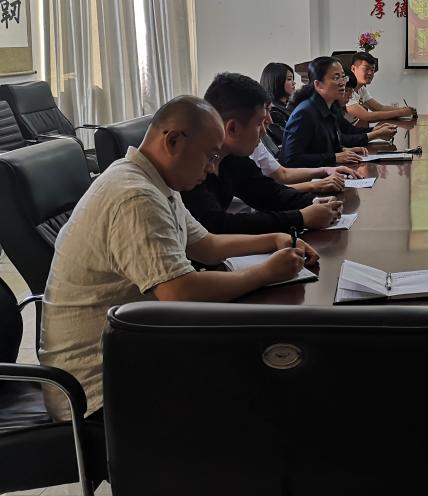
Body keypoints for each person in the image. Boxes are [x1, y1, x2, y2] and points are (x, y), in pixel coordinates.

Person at [38, 96, 318, 420]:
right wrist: (265, 273)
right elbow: (180, 292)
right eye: (210, 156)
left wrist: (273, 239)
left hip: (133, 356)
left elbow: (205, 244)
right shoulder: (134, 195)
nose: (213, 168)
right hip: (99, 394)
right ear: (172, 141)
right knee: (265, 375)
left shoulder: (153, 181)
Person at [182, 73, 343, 234]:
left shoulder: (233, 158)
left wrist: (313, 202)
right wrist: (300, 218)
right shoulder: (190, 168)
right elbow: (217, 225)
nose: (265, 130)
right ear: (232, 128)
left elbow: (268, 193)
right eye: (259, 123)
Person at [281, 56, 397, 168]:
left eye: (343, 77)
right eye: (336, 78)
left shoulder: (331, 107)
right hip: (311, 179)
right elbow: (290, 160)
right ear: (318, 84)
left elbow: (324, 146)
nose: (342, 83)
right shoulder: (305, 113)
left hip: (330, 173)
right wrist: (334, 157)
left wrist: (342, 150)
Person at [345, 52, 417, 124]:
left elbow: (379, 108)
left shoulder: (361, 89)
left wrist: (404, 109)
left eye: (372, 70)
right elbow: (366, 116)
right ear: (353, 68)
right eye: (366, 69)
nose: (370, 73)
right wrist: (401, 112)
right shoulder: (346, 91)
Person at [260, 61, 295, 146]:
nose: (294, 83)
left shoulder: (288, 106)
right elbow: (290, 140)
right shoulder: (273, 112)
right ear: (277, 82)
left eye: (293, 79)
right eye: (289, 79)